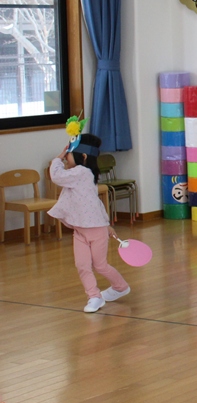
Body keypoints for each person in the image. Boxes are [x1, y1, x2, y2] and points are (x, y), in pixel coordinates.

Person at [48, 127, 129, 314]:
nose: (66, 158)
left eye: (69, 154)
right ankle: (94, 296)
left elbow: (56, 176)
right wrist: (108, 223)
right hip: (80, 230)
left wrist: (58, 158)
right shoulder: (82, 175)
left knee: (100, 265)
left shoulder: (82, 173)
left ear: (83, 156)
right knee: (82, 265)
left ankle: (120, 287)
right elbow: (95, 202)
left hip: (95, 230)